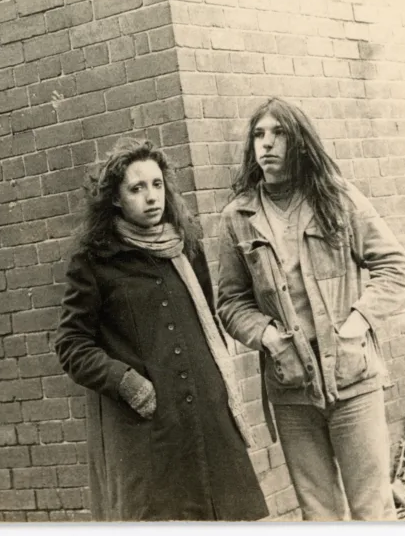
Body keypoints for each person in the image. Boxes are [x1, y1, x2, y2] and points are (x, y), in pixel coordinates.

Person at [216, 97, 405, 521]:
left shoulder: (336, 199)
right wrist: (268, 336)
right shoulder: (238, 217)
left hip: (352, 376)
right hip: (291, 384)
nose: (267, 143)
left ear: (300, 141)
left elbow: (395, 267)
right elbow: (230, 302)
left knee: (372, 509)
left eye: (279, 133)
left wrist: (357, 324)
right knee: (318, 513)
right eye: (259, 134)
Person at [53, 137, 269, 522]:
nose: (151, 197)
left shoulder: (186, 247)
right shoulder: (94, 261)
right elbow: (71, 344)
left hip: (205, 420)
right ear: (115, 199)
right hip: (147, 432)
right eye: (136, 188)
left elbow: (206, 323)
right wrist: (125, 381)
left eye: (157, 184)